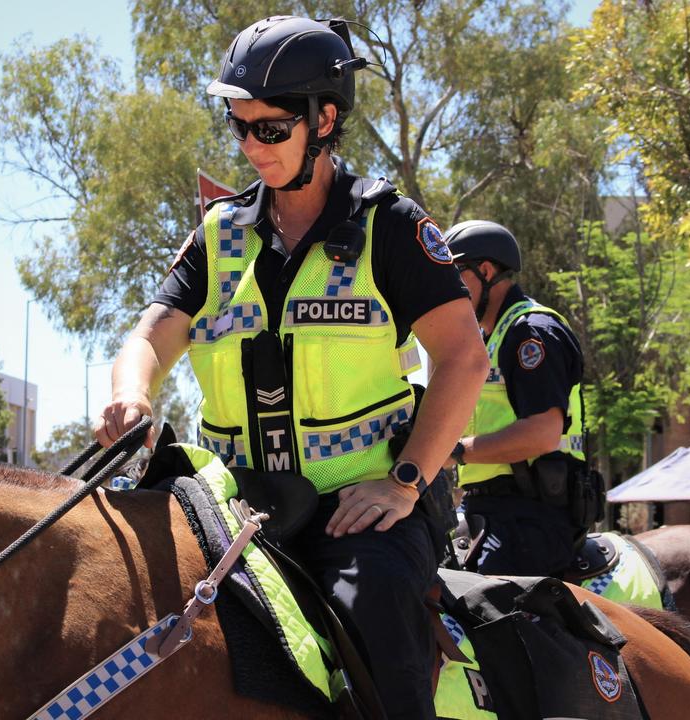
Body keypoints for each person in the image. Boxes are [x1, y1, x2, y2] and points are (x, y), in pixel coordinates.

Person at [94, 15, 487, 719]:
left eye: (269, 128)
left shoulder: (390, 227)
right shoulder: (218, 235)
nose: (251, 146)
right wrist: (131, 393)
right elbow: (152, 334)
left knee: (373, 612)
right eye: (237, 126)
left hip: (363, 511)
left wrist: (404, 483)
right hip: (236, 504)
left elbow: (463, 357)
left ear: (324, 119)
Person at [444, 220, 594, 578]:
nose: (446, 289)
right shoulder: (486, 339)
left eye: (455, 276)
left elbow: (542, 433)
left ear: (486, 271)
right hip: (490, 509)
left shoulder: (531, 331)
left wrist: (456, 450)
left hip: (531, 517)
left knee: (492, 617)